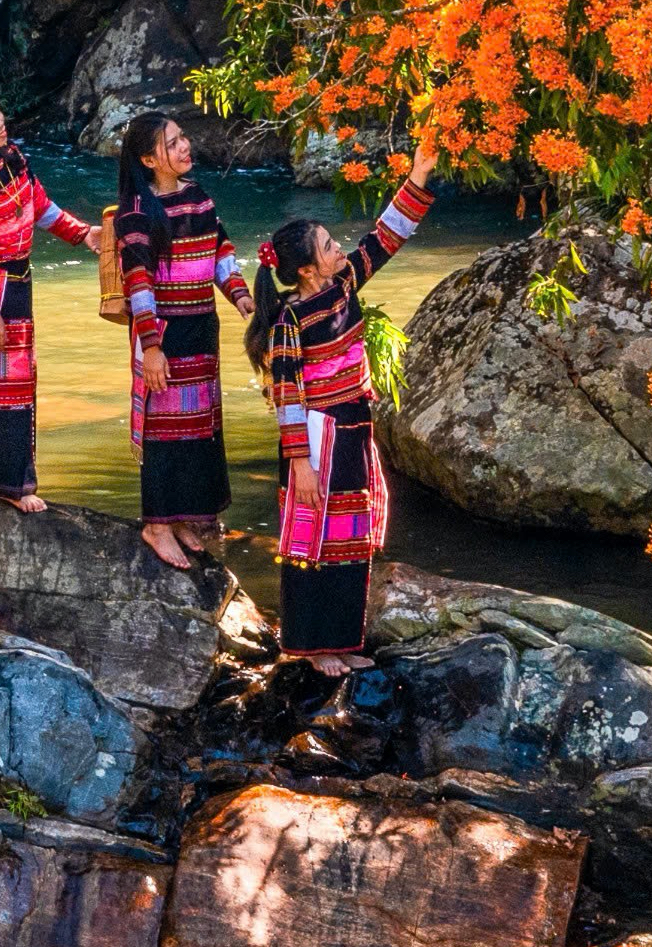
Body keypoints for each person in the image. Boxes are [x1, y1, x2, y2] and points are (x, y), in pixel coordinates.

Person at [244, 146, 438, 676]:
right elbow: (286, 395)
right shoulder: (288, 320)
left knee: (350, 535)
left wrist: (418, 175)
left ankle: (343, 638)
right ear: (305, 270)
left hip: (354, 423)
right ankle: (309, 645)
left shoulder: (344, 283)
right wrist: (300, 462)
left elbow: (386, 237)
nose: (340, 251)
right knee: (313, 540)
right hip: (316, 435)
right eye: (329, 248)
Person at [0, 83, 100, 512]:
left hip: (18, 283)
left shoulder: (14, 160)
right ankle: (3, 485)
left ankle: (4, 480)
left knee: (19, 383)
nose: (0, 123)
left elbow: (40, 207)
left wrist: (83, 234)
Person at [115, 110, 255, 571]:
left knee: (195, 427)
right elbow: (139, 284)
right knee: (163, 429)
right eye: (172, 143)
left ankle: (180, 519)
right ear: (147, 159)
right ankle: (156, 523)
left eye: (182, 138)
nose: (183, 147)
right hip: (164, 333)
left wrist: (243, 301)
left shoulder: (197, 198)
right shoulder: (138, 214)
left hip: (201, 328)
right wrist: (151, 346)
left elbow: (221, 253)